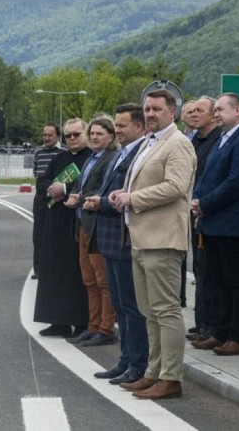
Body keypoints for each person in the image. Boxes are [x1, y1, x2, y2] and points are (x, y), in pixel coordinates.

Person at [109, 88, 196, 399]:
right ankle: (153, 371)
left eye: (157, 109)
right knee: (149, 311)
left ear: (172, 112)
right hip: (142, 238)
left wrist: (134, 199)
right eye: (147, 109)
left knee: (166, 310)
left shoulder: (178, 144)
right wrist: (121, 194)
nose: (150, 114)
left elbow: (176, 187)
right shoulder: (150, 143)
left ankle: (171, 377)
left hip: (163, 238)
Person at [190, 93, 239, 356]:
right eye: (216, 109)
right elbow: (207, 175)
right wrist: (197, 199)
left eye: (221, 109)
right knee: (215, 279)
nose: (216, 113)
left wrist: (205, 204)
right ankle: (219, 332)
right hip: (212, 222)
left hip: (231, 223)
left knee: (236, 280)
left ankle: (237, 335)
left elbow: (236, 182)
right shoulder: (223, 139)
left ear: (238, 110)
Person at [85, 103, 149, 385]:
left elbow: (125, 194)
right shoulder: (122, 153)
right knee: (121, 306)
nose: (118, 130)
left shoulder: (140, 153)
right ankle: (125, 360)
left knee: (131, 307)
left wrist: (99, 202)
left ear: (139, 127)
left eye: (122, 125)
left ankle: (137, 363)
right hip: (110, 238)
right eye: (117, 124)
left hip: (124, 238)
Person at [34, 118, 92, 337]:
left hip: (77, 224)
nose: (73, 139)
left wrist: (65, 188)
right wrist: (51, 188)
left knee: (77, 274)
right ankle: (58, 321)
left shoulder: (91, 158)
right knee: (54, 272)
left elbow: (90, 186)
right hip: (55, 224)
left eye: (77, 134)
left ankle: (81, 322)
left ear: (85, 134)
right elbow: (42, 182)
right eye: (68, 136)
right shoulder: (60, 157)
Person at [65, 116, 117, 346]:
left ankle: (105, 329)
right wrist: (76, 195)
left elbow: (102, 189)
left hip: (99, 226)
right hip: (84, 225)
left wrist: (81, 197)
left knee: (103, 281)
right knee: (89, 280)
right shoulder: (90, 159)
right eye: (92, 133)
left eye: (100, 134)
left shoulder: (111, 158)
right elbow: (81, 185)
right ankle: (92, 325)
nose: (95, 137)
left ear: (110, 137)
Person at [187, 95, 222, 340]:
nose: (195, 114)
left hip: (210, 211)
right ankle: (202, 322)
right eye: (193, 110)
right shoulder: (194, 141)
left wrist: (203, 204)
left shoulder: (218, 140)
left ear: (213, 115)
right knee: (200, 269)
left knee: (212, 272)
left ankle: (211, 323)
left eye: (201, 110)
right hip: (194, 210)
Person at [31, 123, 63, 279]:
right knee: (39, 235)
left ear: (57, 136)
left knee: (57, 235)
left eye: (50, 135)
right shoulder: (38, 153)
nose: (46, 138)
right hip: (41, 197)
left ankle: (56, 267)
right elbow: (36, 174)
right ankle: (38, 269)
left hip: (58, 198)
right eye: (44, 135)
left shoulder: (63, 153)